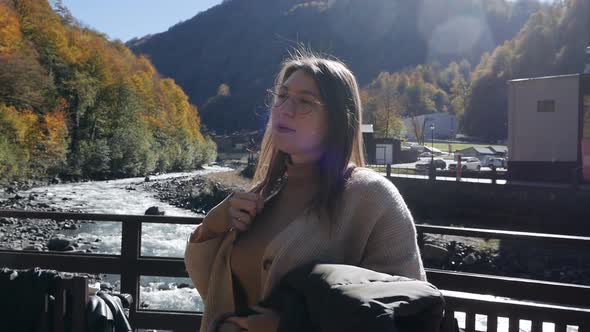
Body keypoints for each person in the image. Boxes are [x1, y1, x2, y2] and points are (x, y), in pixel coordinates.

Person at [184, 52, 426, 332]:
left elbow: (407, 314)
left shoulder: (372, 198)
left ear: (337, 119)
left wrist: (288, 326)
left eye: (305, 101)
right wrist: (213, 225)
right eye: (282, 95)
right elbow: (215, 292)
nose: (284, 108)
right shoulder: (266, 192)